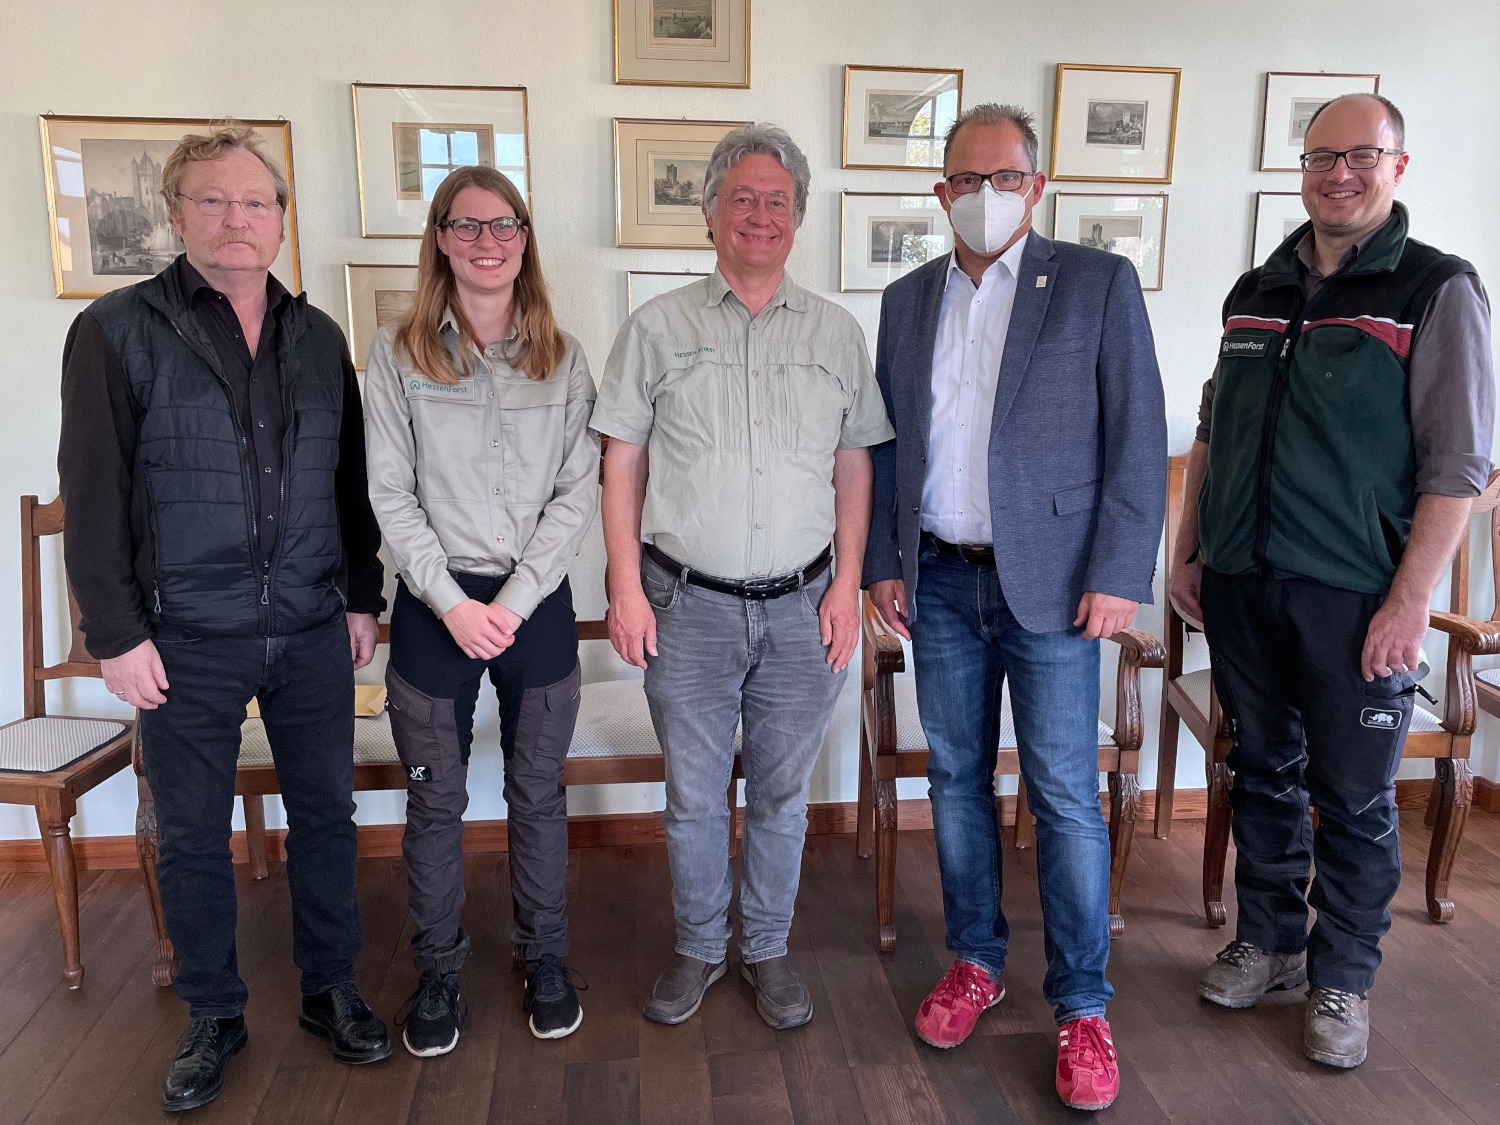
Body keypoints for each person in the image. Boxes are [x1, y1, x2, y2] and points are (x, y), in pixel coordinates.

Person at [56, 122, 390, 1113]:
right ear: (176, 215)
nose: (236, 219)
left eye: (255, 202)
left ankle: (330, 989)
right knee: (192, 834)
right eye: (213, 201)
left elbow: (348, 487)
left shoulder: (320, 337)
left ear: (281, 220)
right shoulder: (115, 331)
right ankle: (214, 1009)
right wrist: (113, 635)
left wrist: (362, 598)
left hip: (313, 630)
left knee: (327, 815)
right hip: (182, 639)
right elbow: (94, 490)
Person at [1172, 93, 1494, 1069]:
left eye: (1361, 156)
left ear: (1398, 167)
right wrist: (1188, 552)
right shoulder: (1256, 289)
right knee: (1260, 771)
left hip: (1357, 600)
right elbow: (1214, 427)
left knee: (1352, 800)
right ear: (1301, 168)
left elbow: (1460, 467)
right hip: (1240, 584)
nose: (1338, 174)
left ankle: (1342, 974)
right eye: (1321, 157)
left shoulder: (1436, 290)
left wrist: (1411, 603)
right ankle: (1270, 941)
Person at [862, 103, 1166, 1112]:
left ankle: (1083, 1004)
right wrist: (880, 562)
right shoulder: (905, 301)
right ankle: (976, 962)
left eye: (1005, 177)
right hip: (938, 579)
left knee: (1065, 794)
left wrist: (1122, 570)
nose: (984, 195)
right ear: (939, 191)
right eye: (965, 179)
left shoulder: (1095, 284)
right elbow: (885, 446)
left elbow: (1136, 438)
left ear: (1036, 186)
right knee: (953, 780)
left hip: (1055, 584)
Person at [593, 123, 894, 1030]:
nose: (760, 215)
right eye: (743, 198)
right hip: (685, 604)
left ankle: (764, 947)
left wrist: (845, 586)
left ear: (798, 218)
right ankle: (697, 948)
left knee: (781, 796)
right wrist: (624, 585)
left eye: (778, 201)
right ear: (709, 214)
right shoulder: (656, 328)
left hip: (805, 606)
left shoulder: (837, 333)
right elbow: (621, 464)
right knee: (692, 798)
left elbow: (854, 466)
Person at [364, 166, 598, 1054]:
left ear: (525, 238)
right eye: (466, 227)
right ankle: (439, 967)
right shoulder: (396, 355)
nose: (487, 242)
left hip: (533, 604)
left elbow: (576, 493)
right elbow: (389, 494)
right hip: (434, 606)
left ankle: (544, 955)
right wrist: (455, 603)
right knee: (436, 802)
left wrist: (512, 599)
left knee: (538, 793)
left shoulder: (565, 357)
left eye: (503, 225)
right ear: (440, 239)